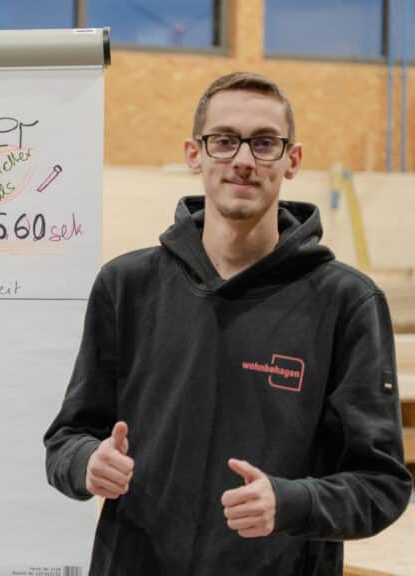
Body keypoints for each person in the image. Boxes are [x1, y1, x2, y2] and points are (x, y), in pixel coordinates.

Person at [44, 72, 412, 575]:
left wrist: (291, 502)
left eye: (264, 143)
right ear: (195, 154)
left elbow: (382, 484)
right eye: (224, 140)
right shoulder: (125, 286)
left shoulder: (346, 302)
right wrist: (86, 463)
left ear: (292, 160)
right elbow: (67, 439)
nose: (243, 160)